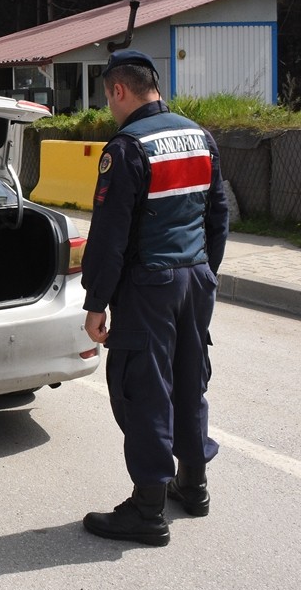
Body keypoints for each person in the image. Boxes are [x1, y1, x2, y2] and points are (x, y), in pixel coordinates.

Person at [80, 49, 230, 547]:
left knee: (144, 389)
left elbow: (110, 234)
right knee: (190, 379)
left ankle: (147, 510)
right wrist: (206, 270)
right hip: (195, 278)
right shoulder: (198, 135)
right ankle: (193, 486)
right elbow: (219, 213)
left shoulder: (126, 147)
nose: (109, 109)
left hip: (150, 287)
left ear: (119, 90)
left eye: (107, 99)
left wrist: (96, 301)